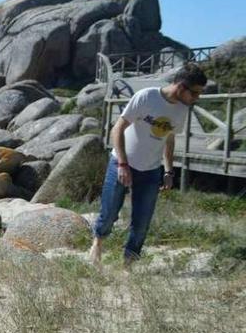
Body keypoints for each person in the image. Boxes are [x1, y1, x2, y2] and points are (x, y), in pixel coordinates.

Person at [89, 63, 207, 271]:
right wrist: (123, 164)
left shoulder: (181, 110)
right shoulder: (146, 97)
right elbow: (118, 128)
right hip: (121, 162)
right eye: (195, 93)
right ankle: (97, 243)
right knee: (108, 215)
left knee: (141, 222)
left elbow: (169, 140)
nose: (197, 98)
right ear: (181, 87)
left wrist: (169, 170)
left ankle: (127, 266)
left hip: (151, 170)